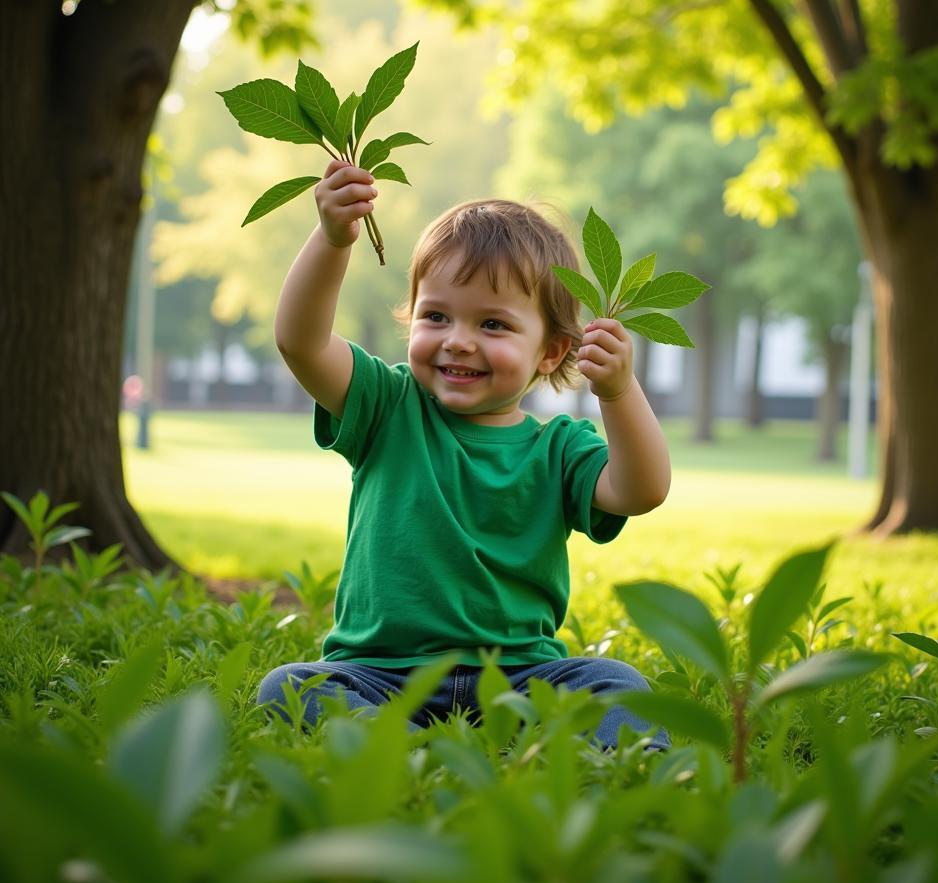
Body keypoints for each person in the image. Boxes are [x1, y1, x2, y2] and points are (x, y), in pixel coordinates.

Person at [257, 159, 672, 751]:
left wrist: (619, 391)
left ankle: (624, 758)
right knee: (290, 687)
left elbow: (642, 489)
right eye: (436, 315)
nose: (457, 339)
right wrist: (332, 239)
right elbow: (300, 341)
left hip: (522, 679)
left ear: (552, 352)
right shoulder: (387, 406)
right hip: (382, 675)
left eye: (494, 324)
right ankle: (396, 743)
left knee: (617, 683)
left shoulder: (559, 448)